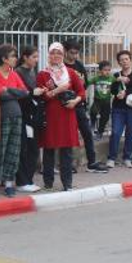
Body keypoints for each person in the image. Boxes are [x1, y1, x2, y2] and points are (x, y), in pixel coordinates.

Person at [37, 42, 85, 191]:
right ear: (48, 55)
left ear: (63, 55)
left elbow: (81, 92)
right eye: (53, 53)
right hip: (51, 115)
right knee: (49, 149)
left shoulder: (70, 72)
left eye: (59, 53)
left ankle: (67, 183)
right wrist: (59, 90)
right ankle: (48, 182)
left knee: (66, 151)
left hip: (68, 114)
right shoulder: (43, 74)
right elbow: (44, 96)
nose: (56, 56)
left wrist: (75, 101)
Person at [0, 45, 27, 198]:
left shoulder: (14, 74)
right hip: (0, 117)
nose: (16, 59)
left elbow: (24, 93)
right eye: (12, 56)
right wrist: (13, 92)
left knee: (14, 150)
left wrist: (8, 91)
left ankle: (9, 182)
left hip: (16, 115)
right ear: (4, 59)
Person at [63, 40, 108, 173]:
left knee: (87, 133)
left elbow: (85, 84)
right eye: (72, 53)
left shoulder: (79, 65)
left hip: (80, 105)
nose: (75, 56)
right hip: (67, 105)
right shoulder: (62, 67)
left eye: (77, 53)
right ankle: (67, 164)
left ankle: (91, 162)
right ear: (65, 51)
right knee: (68, 136)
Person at [14, 46, 44, 193]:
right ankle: (22, 181)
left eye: (37, 57)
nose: (36, 60)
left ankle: (28, 179)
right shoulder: (18, 72)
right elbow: (20, 93)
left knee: (33, 148)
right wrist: (33, 93)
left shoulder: (33, 72)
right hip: (24, 115)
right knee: (26, 149)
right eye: (34, 57)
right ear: (25, 57)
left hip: (34, 115)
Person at [107, 50, 132, 169]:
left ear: (130, 60)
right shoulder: (116, 75)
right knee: (116, 133)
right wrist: (118, 83)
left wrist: (126, 92)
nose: (124, 61)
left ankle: (127, 158)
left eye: (126, 59)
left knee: (131, 134)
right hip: (119, 108)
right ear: (119, 62)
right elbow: (112, 91)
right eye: (121, 60)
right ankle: (111, 158)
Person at [89, 60, 114, 139]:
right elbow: (87, 83)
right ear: (100, 71)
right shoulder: (96, 78)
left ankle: (100, 132)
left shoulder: (112, 78)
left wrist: (121, 80)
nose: (107, 72)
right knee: (93, 112)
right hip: (97, 100)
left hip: (106, 101)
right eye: (105, 70)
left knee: (105, 117)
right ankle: (92, 124)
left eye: (109, 70)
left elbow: (118, 84)